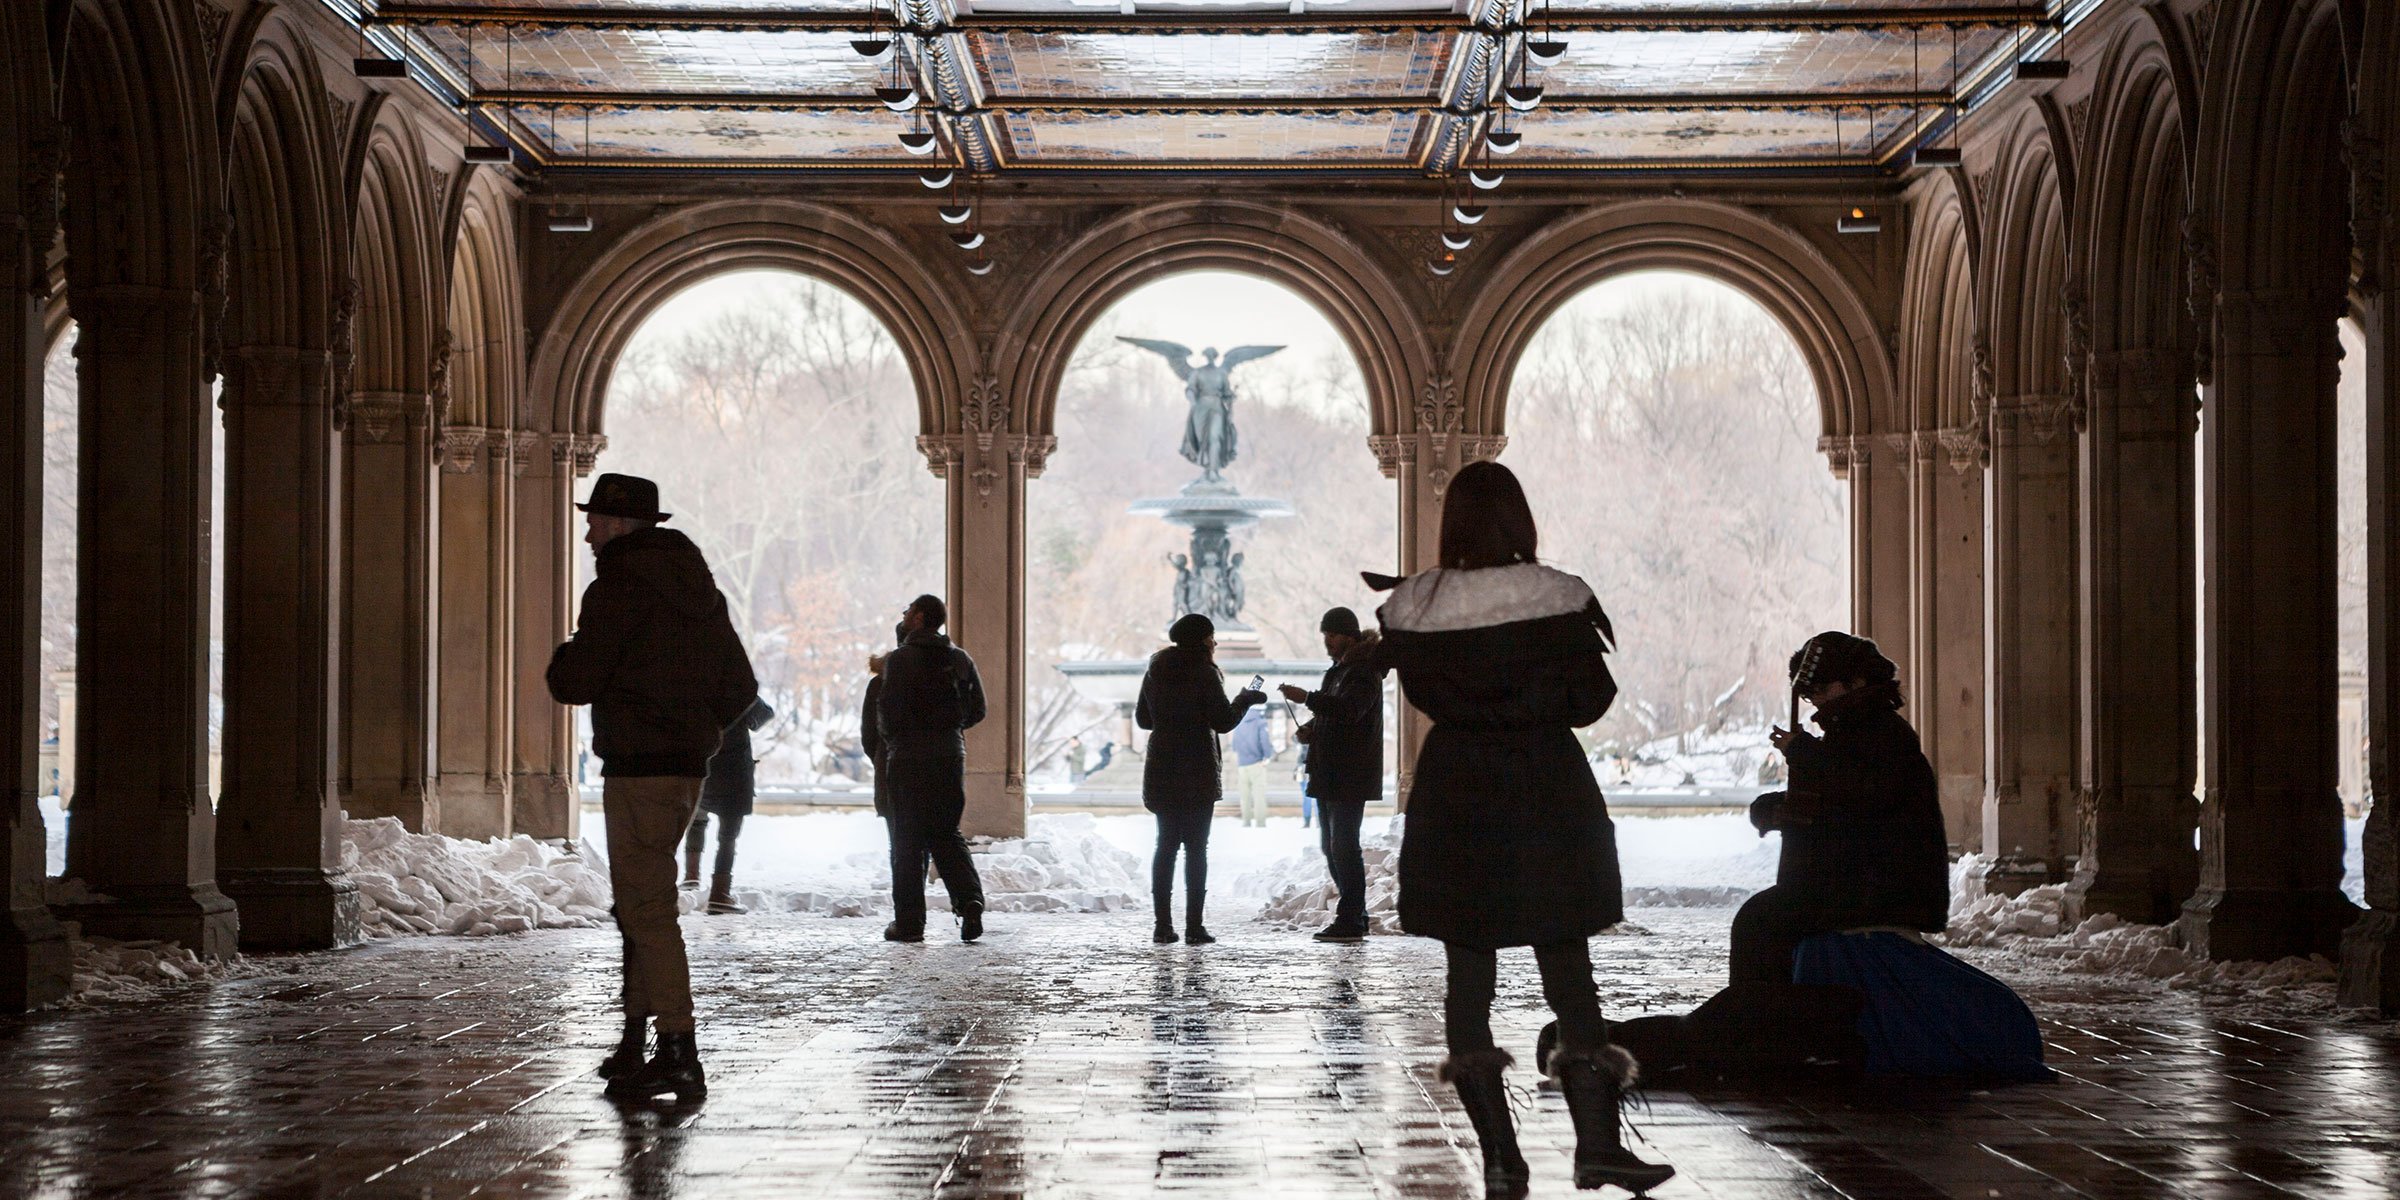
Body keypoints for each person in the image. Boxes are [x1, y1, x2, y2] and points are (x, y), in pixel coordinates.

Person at [1373, 461, 1671, 1198]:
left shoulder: (1416, 607)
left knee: (1467, 980)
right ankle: (1597, 1147)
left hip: (1457, 794)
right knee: (1569, 971)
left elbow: (1419, 691)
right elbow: (1590, 700)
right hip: (1543, 787)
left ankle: (1503, 1160)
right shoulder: (1558, 598)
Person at [546, 472, 758, 1104]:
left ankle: (678, 1049)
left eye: (593, 521)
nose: (587, 532)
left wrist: (564, 658)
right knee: (642, 903)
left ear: (616, 525)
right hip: (687, 771)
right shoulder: (701, 590)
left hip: (638, 767)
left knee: (647, 911)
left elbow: (575, 680)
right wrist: (697, 730)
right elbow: (741, 687)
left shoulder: (616, 588)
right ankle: (635, 1038)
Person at [1738, 631, 1949, 984]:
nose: (1815, 700)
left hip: (1882, 891)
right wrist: (1775, 807)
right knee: (1761, 919)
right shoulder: (1851, 732)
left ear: (1856, 682)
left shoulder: (1882, 732)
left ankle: (1767, 1018)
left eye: (1822, 689)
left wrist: (1803, 753)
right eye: (1809, 694)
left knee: (1760, 921)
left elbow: (1863, 792)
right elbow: (1836, 799)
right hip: (1859, 884)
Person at [1136, 613, 1266, 945]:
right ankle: (1195, 926)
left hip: (1162, 767)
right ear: (1203, 640)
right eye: (1212, 637)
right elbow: (1223, 721)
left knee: (1165, 846)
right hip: (1197, 768)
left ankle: (1162, 926)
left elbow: (1142, 719)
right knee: (1196, 848)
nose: (1216, 642)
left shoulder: (1156, 669)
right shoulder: (1205, 672)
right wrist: (1245, 699)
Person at [877, 594, 988, 945]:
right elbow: (978, 709)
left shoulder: (899, 660)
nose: (903, 614)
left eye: (908, 610)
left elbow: (888, 712)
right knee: (946, 833)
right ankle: (969, 901)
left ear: (920, 618)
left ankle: (909, 924)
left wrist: (897, 739)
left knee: (907, 840)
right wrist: (949, 731)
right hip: (948, 756)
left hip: (908, 759)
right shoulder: (960, 659)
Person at [1280, 606, 1384, 943]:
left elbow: (1351, 710)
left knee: (1344, 847)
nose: (1327, 641)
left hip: (1349, 773)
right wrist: (1311, 729)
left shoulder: (1363, 672)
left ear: (1350, 636)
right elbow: (1335, 714)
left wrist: (1307, 698)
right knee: (1331, 847)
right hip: (1330, 770)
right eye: (1325, 635)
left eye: (1333, 634)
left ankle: (1352, 918)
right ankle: (1354, 914)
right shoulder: (1338, 671)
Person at [684, 697, 774, 915]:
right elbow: (763, 716)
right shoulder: (737, 694)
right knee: (728, 837)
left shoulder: (694, 690)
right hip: (733, 773)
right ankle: (719, 894)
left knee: (696, 822)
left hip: (702, 768)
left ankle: (691, 879)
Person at [1230, 704, 1274, 827]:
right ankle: (1260, 823)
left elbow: (1234, 745)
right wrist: (1267, 756)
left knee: (1244, 796)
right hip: (1257, 763)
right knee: (1259, 795)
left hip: (1242, 764)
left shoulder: (1239, 723)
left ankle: (1246, 821)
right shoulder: (1261, 722)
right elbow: (1264, 741)